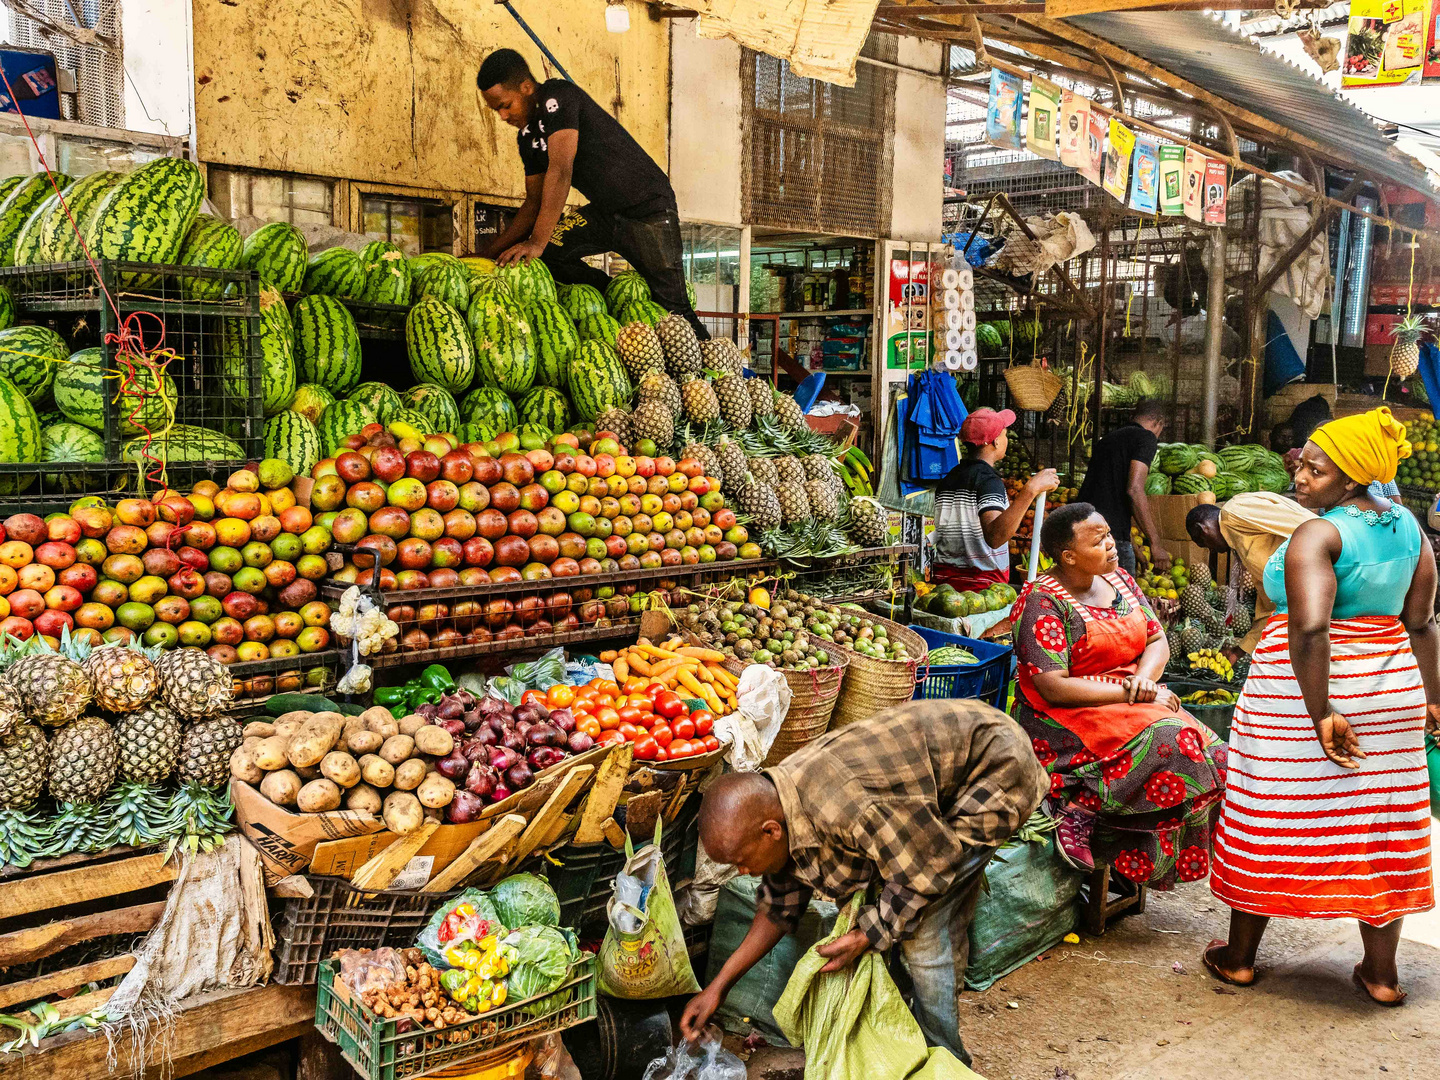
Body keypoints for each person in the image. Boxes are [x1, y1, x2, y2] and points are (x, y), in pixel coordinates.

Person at [1206, 408, 1438, 1005]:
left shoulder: (1319, 534)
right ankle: (1382, 976)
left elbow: (1310, 629)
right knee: (1379, 829)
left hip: (1305, 693)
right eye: (1302, 463)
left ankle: (1237, 959)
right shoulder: (1409, 527)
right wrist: (1435, 699)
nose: (1300, 476)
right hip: (1391, 690)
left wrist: (1321, 714)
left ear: (1354, 478)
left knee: (1270, 814)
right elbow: (1421, 623)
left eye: (1317, 468)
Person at [678, 700, 1048, 1065]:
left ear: (770, 832)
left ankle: (944, 1061)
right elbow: (778, 906)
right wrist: (717, 988)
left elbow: (927, 869)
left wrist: (867, 934)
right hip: (924, 790)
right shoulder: (778, 806)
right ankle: (904, 1034)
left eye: (741, 862)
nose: (742, 872)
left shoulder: (850, 808)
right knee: (895, 919)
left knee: (925, 933)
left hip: (994, 767)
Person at [1009, 501, 1227, 884]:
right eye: (1099, 541)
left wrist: (1143, 681)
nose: (1111, 544)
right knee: (1174, 744)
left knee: (1213, 752)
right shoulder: (1043, 600)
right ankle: (1078, 807)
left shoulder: (1120, 580)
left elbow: (1157, 639)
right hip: (1063, 719)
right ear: (1069, 557)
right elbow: (1052, 685)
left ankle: (1138, 849)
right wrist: (1132, 692)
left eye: (1109, 534)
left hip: (1128, 703)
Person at [475, 49, 707, 337]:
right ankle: (617, 301)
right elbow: (534, 202)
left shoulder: (556, 97)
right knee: (547, 256)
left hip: (648, 209)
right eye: (495, 109)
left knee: (675, 310)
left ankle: (715, 377)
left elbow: (561, 170)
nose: (502, 116)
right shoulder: (529, 138)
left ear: (525, 88)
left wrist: (536, 240)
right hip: (605, 213)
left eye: (506, 105)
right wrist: (487, 254)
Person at [931, 407, 1058, 590]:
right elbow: (995, 537)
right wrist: (1030, 490)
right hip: (981, 588)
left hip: (944, 585)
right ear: (996, 442)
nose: (1006, 440)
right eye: (1005, 435)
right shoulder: (989, 481)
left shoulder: (949, 478)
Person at [1185, 494, 1314, 653]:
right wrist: (1239, 652)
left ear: (1202, 529)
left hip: (1329, 578)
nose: (1212, 550)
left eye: (1204, 544)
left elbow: (1304, 523)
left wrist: (1338, 548)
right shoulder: (1243, 548)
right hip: (1312, 603)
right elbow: (1269, 608)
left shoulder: (1234, 511)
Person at [1077, 399, 1170, 575]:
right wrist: (1155, 544)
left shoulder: (1108, 440)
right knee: (1121, 600)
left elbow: (1107, 497)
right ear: (1159, 422)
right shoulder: (1146, 437)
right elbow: (1134, 490)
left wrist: (1134, 548)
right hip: (1109, 540)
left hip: (1083, 531)